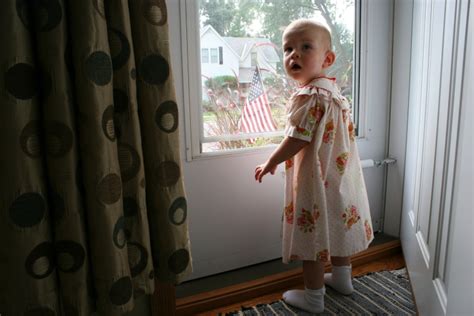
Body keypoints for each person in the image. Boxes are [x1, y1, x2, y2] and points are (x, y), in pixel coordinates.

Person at [254, 19, 374, 313]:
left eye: (305, 47)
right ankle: (343, 279)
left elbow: (297, 137)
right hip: (341, 177)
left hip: (317, 180)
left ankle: (314, 298)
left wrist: (271, 161)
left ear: (328, 59)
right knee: (337, 227)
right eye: (288, 49)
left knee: (314, 238)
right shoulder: (334, 93)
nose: (294, 55)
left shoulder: (310, 96)